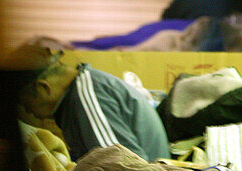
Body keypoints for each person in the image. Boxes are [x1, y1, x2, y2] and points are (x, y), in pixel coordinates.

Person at [18, 54, 172, 162]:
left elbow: (124, 169)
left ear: (43, 88)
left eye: (26, 104)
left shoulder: (85, 96)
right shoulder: (80, 91)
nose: (27, 111)